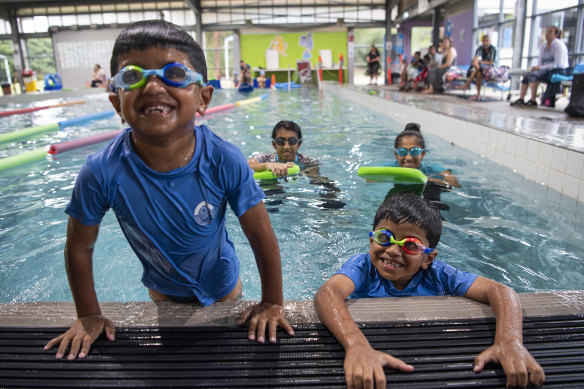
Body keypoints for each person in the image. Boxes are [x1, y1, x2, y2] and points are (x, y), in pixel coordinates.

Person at [44, 20, 294, 361]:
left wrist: (272, 302)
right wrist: (88, 315)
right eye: (133, 76)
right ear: (117, 102)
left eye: (174, 74)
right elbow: (79, 246)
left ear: (203, 98)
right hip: (161, 292)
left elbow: (261, 235)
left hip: (224, 288)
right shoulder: (101, 171)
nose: (153, 85)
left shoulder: (224, 159)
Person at [314, 193, 546, 389]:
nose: (393, 250)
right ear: (372, 239)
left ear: (428, 258)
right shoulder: (363, 267)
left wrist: (510, 341)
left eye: (411, 245)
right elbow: (328, 293)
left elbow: (501, 291)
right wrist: (356, 345)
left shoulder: (438, 274)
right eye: (385, 237)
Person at [248, 120, 344, 209]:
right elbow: (247, 165)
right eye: (281, 141)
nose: (286, 146)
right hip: (273, 191)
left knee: (329, 188)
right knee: (271, 194)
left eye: (292, 141)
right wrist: (266, 165)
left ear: (299, 144)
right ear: (274, 144)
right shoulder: (266, 159)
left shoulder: (307, 162)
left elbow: (315, 179)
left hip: (296, 193)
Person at [385, 123, 461, 189]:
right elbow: (372, 178)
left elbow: (454, 184)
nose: (408, 158)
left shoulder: (429, 169)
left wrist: (422, 179)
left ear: (423, 154)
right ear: (396, 154)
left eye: (414, 151)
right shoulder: (390, 167)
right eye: (402, 151)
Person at [511, 26, 569, 108]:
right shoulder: (544, 45)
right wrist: (536, 68)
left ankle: (533, 100)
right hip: (545, 70)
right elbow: (540, 61)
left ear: (556, 35)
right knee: (526, 74)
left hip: (557, 71)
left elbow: (557, 64)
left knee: (533, 75)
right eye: (547, 31)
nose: (547, 33)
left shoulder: (558, 45)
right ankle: (521, 98)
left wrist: (540, 68)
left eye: (550, 31)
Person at [457, 35, 497, 100]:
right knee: (478, 72)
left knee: (478, 70)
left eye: (487, 41)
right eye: (484, 41)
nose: (485, 43)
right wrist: (476, 63)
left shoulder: (493, 49)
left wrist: (480, 62)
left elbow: (491, 62)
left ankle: (466, 85)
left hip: (490, 70)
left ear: (490, 41)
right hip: (480, 69)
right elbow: (475, 59)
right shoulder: (480, 48)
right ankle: (478, 94)